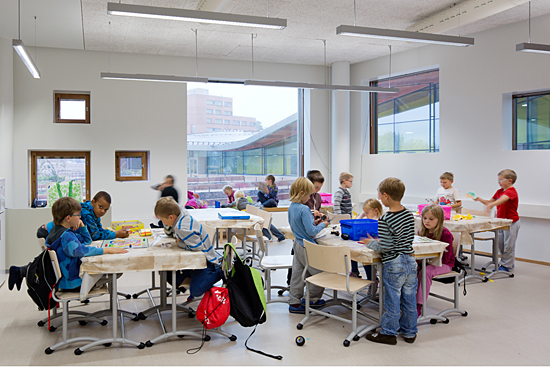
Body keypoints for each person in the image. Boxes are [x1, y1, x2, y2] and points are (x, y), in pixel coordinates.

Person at [9, 197, 127, 292]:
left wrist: (81, 226)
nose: (81, 217)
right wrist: (107, 250)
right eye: (78, 215)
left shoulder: (59, 232)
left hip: (65, 280)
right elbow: (81, 250)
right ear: (68, 218)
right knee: (114, 272)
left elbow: (86, 241)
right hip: (73, 282)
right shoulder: (67, 236)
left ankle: (20, 272)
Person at [364, 177, 417, 345]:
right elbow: (402, 239)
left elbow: (386, 246)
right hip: (410, 261)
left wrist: (370, 243)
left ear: (386, 196)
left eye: (380, 194)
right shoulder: (409, 214)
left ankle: (389, 333)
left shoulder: (386, 219)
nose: (379, 197)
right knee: (409, 299)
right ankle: (409, 332)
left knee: (392, 300)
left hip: (394, 264)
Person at [154, 197, 223, 299]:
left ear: (171, 217)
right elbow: (169, 233)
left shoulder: (181, 227)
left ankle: (220, 272)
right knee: (169, 274)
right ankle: (196, 278)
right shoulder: (182, 214)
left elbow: (197, 247)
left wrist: (180, 244)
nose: (162, 222)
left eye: (162, 219)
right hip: (195, 260)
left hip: (206, 261)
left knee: (196, 291)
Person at [287, 177, 330, 314]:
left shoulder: (291, 208)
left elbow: (301, 227)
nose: (311, 197)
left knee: (297, 275)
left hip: (297, 244)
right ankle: (311, 300)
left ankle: (294, 302)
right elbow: (311, 233)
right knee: (320, 274)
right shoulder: (304, 209)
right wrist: (323, 224)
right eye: (309, 194)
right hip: (307, 247)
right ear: (301, 193)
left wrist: (313, 224)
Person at [474, 169, 520, 272]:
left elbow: (502, 200)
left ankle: (506, 266)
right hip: (501, 222)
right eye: (498, 180)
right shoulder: (500, 191)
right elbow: (489, 202)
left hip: (511, 222)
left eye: (501, 180)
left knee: (509, 245)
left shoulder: (511, 191)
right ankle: (508, 263)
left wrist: (492, 205)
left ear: (510, 181)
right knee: (501, 245)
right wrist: (478, 199)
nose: (499, 183)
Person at [37, 191, 128, 241]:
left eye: (106, 209)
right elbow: (94, 236)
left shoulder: (95, 212)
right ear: (93, 202)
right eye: (100, 207)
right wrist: (115, 234)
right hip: (47, 231)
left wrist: (113, 233)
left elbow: (97, 230)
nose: (102, 211)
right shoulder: (86, 213)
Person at [416, 204, 455, 317]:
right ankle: (407, 299)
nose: (427, 221)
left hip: (444, 264)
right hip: (426, 262)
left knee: (426, 272)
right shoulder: (421, 232)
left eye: (431, 219)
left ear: (439, 219)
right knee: (410, 268)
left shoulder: (446, 234)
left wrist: (424, 263)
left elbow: (445, 258)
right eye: (425, 218)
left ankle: (419, 304)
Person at [351, 198, 383, 281]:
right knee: (352, 251)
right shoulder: (368, 220)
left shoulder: (379, 221)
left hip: (376, 248)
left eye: (367, 213)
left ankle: (372, 279)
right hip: (369, 245)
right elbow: (355, 224)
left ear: (376, 210)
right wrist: (362, 215)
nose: (365, 215)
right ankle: (354, 272)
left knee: (365, 257)